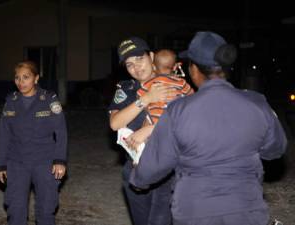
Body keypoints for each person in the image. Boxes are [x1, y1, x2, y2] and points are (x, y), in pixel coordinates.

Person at [129, 31, 288, 225]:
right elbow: (275, 150)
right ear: (228, 68)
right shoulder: (257, 103)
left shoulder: (178, 110)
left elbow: (156, 164)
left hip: (195, 212)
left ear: (194, 69)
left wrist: (138, 180)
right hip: (246, 210)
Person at [109, 37, 177, 225]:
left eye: (140, 59)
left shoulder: (171, 83)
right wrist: (146, 99)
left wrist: (151, 129)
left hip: (169, 169)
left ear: (152, 56)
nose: (136, 67)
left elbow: (186, 122)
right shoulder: (126, 88)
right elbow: (115, 123)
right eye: (129, 64)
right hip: (135, 167)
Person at [0, 60, 67, 225]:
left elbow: (61, 132)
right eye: (17, 78)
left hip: (45, 161)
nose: (21, 82)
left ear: (36, 78)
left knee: (46, 208)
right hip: (17, 162)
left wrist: (60, 160)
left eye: (26, 77)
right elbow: (3, 135)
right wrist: (0, 164)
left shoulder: (49, 99)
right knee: (15, 209)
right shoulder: (11, 101)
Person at [137, 49, 194, 125]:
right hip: (177, 119)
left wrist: (145, 107)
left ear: (153, 67)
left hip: (155, 120)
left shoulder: (150, 83)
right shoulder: (181, 82)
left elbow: (139, 96)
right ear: (174, 67)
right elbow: (192, 95)